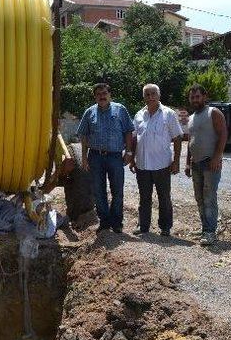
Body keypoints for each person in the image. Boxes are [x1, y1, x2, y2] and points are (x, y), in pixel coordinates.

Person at [77, 83, 134, 233]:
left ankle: (116, 222)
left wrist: (128, 152)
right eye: (98, 94)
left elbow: (128, 131)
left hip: (115, 157)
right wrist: (84, 157)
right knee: (98, 190)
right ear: (95, 97)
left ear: (110, 94)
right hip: (95, 157)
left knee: (117, 190)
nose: (102, 96)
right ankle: (104, 221)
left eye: (104, 93)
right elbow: (83, 135)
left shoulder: (120, 109)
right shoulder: (89, 112)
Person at [129, 84, 183, 237]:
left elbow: (177, 138)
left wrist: (176, 161)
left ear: (159, 96)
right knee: (144, 198)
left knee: (164, 197)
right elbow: (134, 139)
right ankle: (143, 226)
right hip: (142, 164)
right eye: (147, 94)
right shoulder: (139, 115)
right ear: (144, 97)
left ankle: (165, 227)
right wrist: (132, 159)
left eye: (153, 94)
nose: (150, 97)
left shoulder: (168, 114)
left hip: (162, 165)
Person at [185, 83, 227, 245]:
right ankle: (205, 228)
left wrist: (217, 157)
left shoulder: (213, 113)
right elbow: (190, 141)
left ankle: (210, 232)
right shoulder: (192, 117)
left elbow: (223, 134)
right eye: (192, 97)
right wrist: (188, 162)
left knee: (209, 197)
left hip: (210, 163)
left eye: (197, 96)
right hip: (196, 163)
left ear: (204, 97)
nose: (194, 100)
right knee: (199, 197)